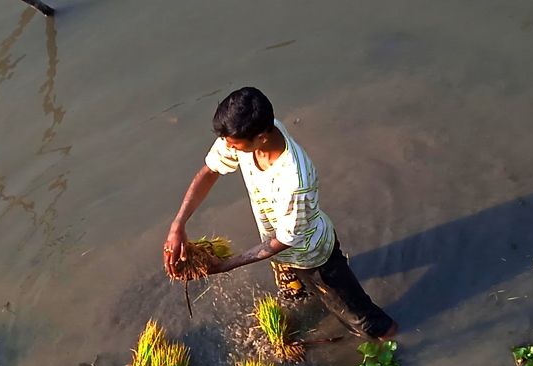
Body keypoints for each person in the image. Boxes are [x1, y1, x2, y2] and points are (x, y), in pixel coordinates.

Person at [163, 87, 397, 341]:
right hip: (279, 250)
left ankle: (398, 347)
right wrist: (178, 225)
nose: (228, 148)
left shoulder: (295, 180)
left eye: (234, 145)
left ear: (261, 137)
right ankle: (301, 296)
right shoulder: (245, 133)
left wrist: (224, 266)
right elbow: (209, 172)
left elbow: (285, 240)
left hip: (312, 256)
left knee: (363, 322)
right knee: (294, 297)